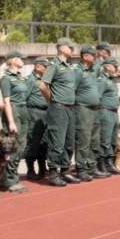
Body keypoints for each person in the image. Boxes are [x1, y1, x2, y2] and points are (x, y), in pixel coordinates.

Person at [39, 38, 79, 186]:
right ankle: (53, 173)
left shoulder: (69, 66)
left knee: (69, 142)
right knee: (57, 142)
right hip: (59, 108)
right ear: (61, 48)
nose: (72, 50)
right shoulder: (54, 65)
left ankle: (65, 170)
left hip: (70, 109)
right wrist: (51, 100)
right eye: (70, 47)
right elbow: (43, 86)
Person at [0, 51, 31, 192]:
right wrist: (11, 121)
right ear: (14, 60)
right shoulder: (6, 78)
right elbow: (6, 101)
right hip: (14, 111)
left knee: (21, 145)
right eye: (21, 58)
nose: (23, 60)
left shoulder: (19, 77)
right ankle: (9, 180)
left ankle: (12, 176)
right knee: (14, 145)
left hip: (23, 110)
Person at [72, 45, 101, 183]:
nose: (95, 57)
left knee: (94, 140)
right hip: (83, 109)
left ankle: (92, 166)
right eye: (92, 55)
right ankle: (81, 168)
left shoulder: (93, 70)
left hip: (94, 110)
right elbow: (73, 91)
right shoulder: (78, 71)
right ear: (85, 56)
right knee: (83, 139)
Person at [98, 50, 120, 177]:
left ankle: (110, 162)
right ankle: (102, 163)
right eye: (115, 66)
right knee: (105, 139)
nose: (117, 69)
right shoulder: (102, 80)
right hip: (105, 112)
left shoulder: (112, 80)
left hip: (113, 113)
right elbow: (97, 97)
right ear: (108, 66)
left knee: (113, 139)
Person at [23, 56, 50, 179]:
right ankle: (30, 169)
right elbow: (24, 99)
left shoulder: (46, 79)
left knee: (44, 141)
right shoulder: (29, 80)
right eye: (46, 66)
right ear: (38, 67)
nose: (47, 69)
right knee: (33, 141)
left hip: (45, 113)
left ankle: (42, 168)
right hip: (34, 112)